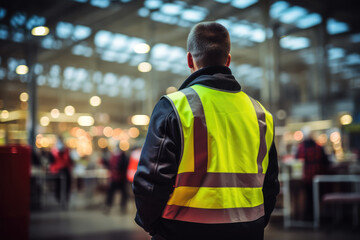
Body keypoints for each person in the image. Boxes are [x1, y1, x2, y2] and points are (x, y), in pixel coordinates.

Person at [133, 22, 279, 240]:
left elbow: (151, 182)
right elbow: (270, 182)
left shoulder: (174, 107)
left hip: (181, 231)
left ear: (189, 59)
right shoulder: (261, 114)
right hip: (248, 231)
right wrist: (254, 224)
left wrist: (153, 226)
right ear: (228, 60)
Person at [295, 126, 329, 220]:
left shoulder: (300, 148)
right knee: (316, 197)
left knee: (308, 197)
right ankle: (316, 216)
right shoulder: (319, 147)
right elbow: (326, 162)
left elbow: (297, 162)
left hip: (305, 177)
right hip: (318, 177)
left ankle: (308, 216)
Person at [103, 144, 129, 214]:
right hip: (115, 178)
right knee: (111, 193)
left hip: (121, 178)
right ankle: (108, 206)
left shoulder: (122, 156)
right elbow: (109, 165)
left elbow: (124, 166)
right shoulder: (113, 156)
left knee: (122, 193)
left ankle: (122, 208)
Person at [49, 136, 73, 207]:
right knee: (58, 186)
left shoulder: (66, 151)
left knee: (67, 185)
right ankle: (59, 198)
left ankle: (65, 199)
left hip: (66, 170)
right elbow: (52, 162)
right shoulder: (54, 151)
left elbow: (69, 161)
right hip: (57, 171)